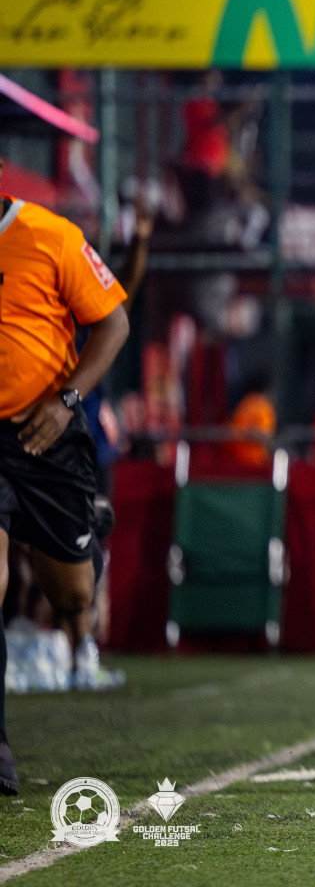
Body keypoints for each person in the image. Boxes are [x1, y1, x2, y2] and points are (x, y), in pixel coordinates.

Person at [0, 168, 131, 793]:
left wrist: (67, 400)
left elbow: (114, 323)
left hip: (49, 432)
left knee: (72, 597)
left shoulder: (51, 235)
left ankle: (86, 529)